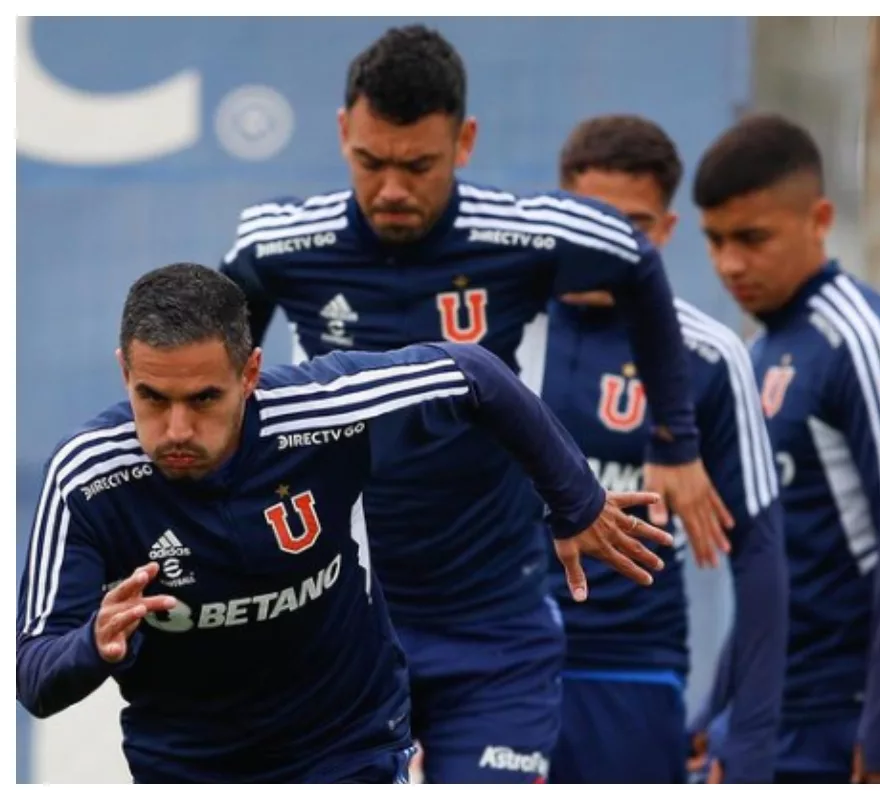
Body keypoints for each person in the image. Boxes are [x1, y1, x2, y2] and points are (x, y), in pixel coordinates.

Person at [218, 25, 733, 783]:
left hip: (496, 620)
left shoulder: (523, 233)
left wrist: (675, 439)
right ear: (343, 132)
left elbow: (636, 263)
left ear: (464, 142)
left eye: (418, 165)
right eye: (370, 162)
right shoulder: (277, 243)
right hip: (347, 616)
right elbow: (218, 374)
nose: (391, 189)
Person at [15, 264, 674, 784]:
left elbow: (474, 372)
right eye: (152, 398)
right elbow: (33, 675)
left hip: (344, 745)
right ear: (125, 372)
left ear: (250, 374)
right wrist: (92, 645)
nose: (177, 428)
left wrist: (576, 501)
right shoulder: (87, 476)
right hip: (188, 767)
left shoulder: (325, 409)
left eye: (205, 398)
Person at [692, 113, 880, 783]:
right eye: (715, 240)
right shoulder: (756, 354)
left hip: (855, 712)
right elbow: (767, 565)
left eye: (752, 238)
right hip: (775, 710)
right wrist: (718, 707)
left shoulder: (863, 342)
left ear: (818, 220)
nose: (730, 264)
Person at [517, 115, 788, 784]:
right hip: (493, 662)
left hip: (629, 670)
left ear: (665, 231)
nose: (608, 247)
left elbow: (760, 555)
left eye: (632, 228)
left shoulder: (708, 355)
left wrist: (750, 735)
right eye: (591, 222)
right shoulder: (492, 335)